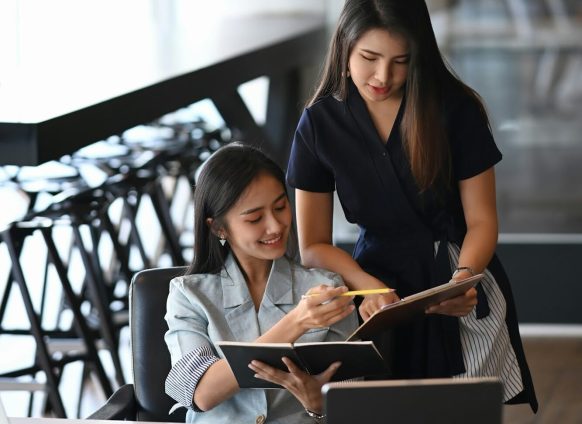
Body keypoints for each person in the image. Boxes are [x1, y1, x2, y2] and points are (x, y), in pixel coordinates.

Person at [286, 0, 537, 412]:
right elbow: (312, 244)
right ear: (344, 47)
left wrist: (464, 280)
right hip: (374, 289)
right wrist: (364, 286)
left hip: (456, 273)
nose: (383, 76)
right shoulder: (319, 124)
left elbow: (482, 220)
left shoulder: (454, 108)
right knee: (379, 409)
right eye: (369, 58)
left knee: (459, 411)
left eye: (401, 61)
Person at [164, 142, 359, 423]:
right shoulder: (188, 295)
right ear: (218, 227)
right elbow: (200, 392)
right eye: (255, 218)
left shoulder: (326, 288)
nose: (275, 226)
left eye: (280, 207)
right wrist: (297, 323)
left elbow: (351, 404)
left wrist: (319, 405)